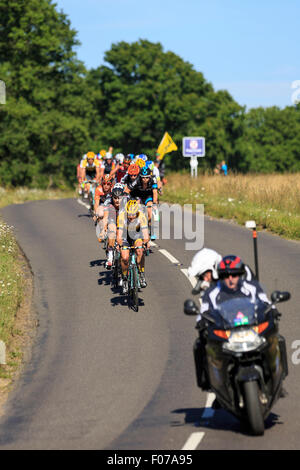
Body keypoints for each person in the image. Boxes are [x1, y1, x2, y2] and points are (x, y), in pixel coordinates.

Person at [193, 254, 269, 391]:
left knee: (275, 337)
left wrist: (271, 311)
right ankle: (215, 385)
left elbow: (266, 302)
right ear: (220, 277)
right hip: (228, 334)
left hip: (252, 330)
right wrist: (202, 321)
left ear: (240, 275)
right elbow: (203, 312)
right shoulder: (211, 293)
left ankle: (274, 375)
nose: (230, 279)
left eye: (234, 275)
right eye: (226, 276)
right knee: (202, 345)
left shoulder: (252, 287)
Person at [116, 199, 150, 294]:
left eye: (133, 216)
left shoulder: (141, 217)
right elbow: (119, 236)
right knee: (125, 257)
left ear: (137, 213)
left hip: (137, 235)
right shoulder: (122, 217)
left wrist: (145, 242)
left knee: (140, 250)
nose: (131, 218)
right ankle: (125, 278)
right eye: (129, 216)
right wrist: (120, 244)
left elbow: (146, 235)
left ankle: (141, 273)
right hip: (125, 236)